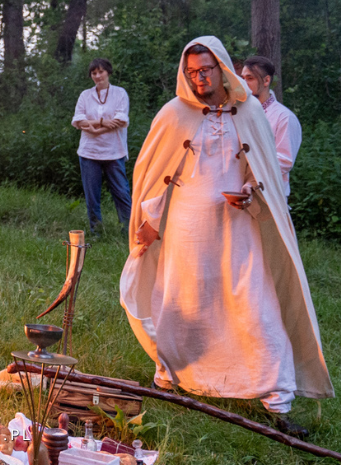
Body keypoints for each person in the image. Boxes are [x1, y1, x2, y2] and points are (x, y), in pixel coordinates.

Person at [120, 36, 333, 437]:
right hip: (186, 229)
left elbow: (265, 170)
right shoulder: (173, 114)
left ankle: (276, 400)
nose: (199, 78)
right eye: (192, 72)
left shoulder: (250, 111)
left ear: (221, 67)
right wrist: (148, 220)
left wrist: (253, 191)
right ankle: (168, 378)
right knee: (181, 302)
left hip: (238, 227)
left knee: (256, 306)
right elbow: (152, 175)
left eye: (206, 69)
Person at [70, 58, 131, 235]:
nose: (97, 76)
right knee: (92, 196)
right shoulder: (85, 95)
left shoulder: (120, 93)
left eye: (101, 72)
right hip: (89, 153)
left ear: (108, 72)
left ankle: (127, 230)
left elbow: (121, 120)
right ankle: (96, 232)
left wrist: (94, 128)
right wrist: (103, 122)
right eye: (94, 73)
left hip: (114, 152)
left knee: (121, 193)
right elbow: (77, 120)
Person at [241, 55, 301, 198]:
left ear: (267, 80)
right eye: (242, 78)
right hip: (239, 193)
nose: (243, 83)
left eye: (250, 78)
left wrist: (252, 182)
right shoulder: (238, 114)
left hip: (269, 196)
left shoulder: (284, 117)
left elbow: (283, 161)